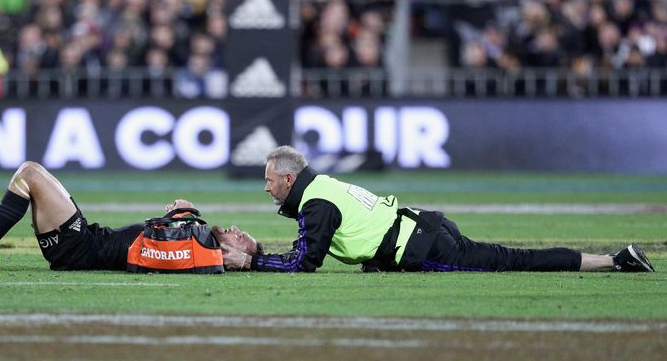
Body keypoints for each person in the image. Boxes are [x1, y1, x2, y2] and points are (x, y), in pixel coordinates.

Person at [216, 146, 656, 273]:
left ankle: (613, 261)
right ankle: (613, 260)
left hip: (425, 248)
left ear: (288, 180)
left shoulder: (315, 203)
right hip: (423, 228)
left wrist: (252, 261)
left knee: (513, 262)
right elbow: (307, 246)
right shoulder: (320, 189)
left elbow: (303, 263)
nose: (266, 188)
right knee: (510, 257)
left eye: (269, 180)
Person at [0, 161, 194, 271]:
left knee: (29, 175)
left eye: (236, 236)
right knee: (30, 171)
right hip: (88, 238)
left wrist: (181, 214)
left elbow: (170, 250)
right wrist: (181, 216)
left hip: (80, 248)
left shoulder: (202, 251)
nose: (234, 231)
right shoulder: (197, 243)